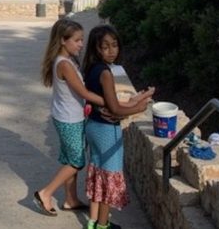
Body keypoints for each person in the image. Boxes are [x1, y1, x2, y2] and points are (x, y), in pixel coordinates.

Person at [33, 19, 109, 217]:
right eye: (77, 40)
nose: (81, 44)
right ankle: (45, 193)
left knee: (69, 158)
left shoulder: (65, 59)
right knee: (76, 162)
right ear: (62, 41)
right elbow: (83, 92)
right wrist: (109, 101)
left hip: (65, 116)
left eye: (82, 40)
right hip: (69, 119)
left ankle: (71, 199)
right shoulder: (65, 64)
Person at [82, 25, 154, 229]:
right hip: (107, 131)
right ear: (96, 48)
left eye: (114, 45)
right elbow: (113, 107)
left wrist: (134, 100)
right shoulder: (105, 73)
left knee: (97, 173)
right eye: (105, 46)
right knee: (109, 179)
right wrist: (139, 107)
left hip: (93, 126)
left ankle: (92, 222)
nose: (111, 50)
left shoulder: (91, 68)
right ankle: (103, 225)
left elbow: (106, 102)